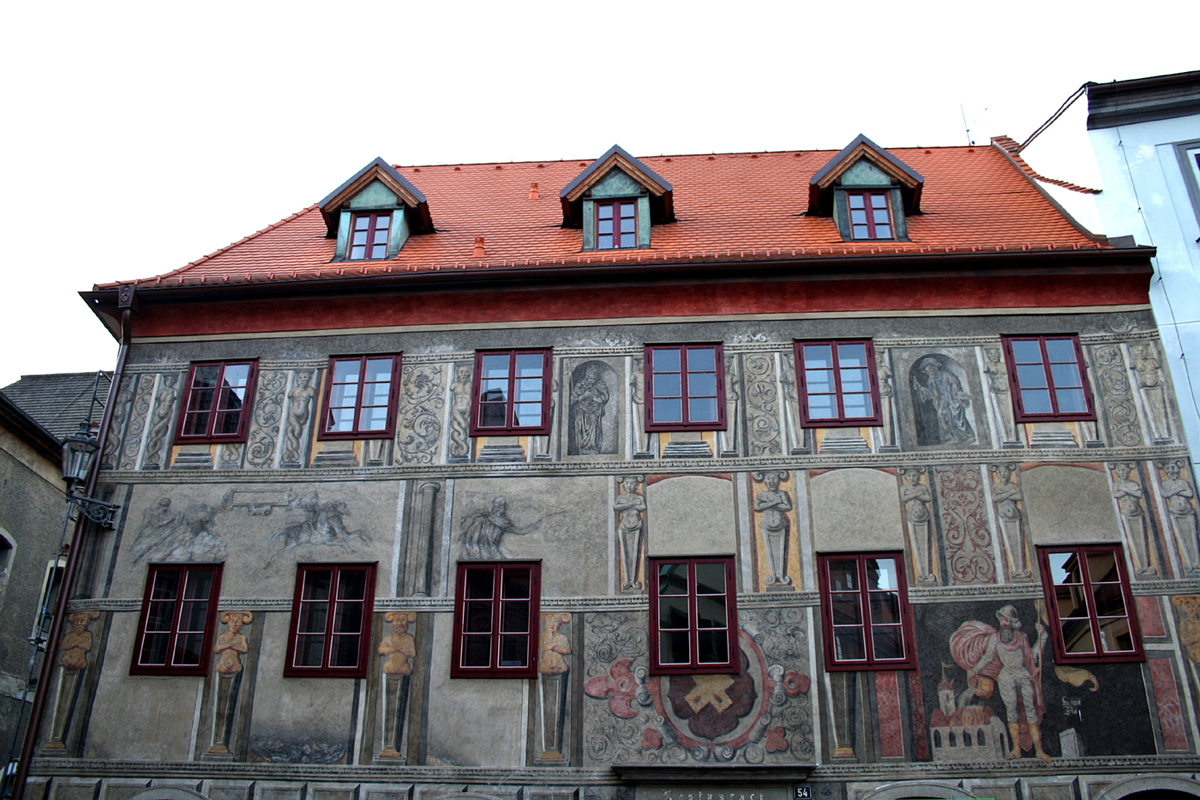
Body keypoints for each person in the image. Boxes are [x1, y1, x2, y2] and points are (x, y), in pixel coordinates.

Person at [951, 605, 1051, 762]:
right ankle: (1016, 749)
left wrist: (1042, 637)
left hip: (1023, 674)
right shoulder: (994, 638)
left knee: (1030, 710)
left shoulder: (1021, 637)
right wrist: (975, 670)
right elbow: (987, 657)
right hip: (1006, 676)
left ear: (1013, 622)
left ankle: (1039, 750)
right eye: (1002, 619)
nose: (1004, 623)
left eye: (1007, 620)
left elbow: (1032, 655)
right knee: (1011, 712)